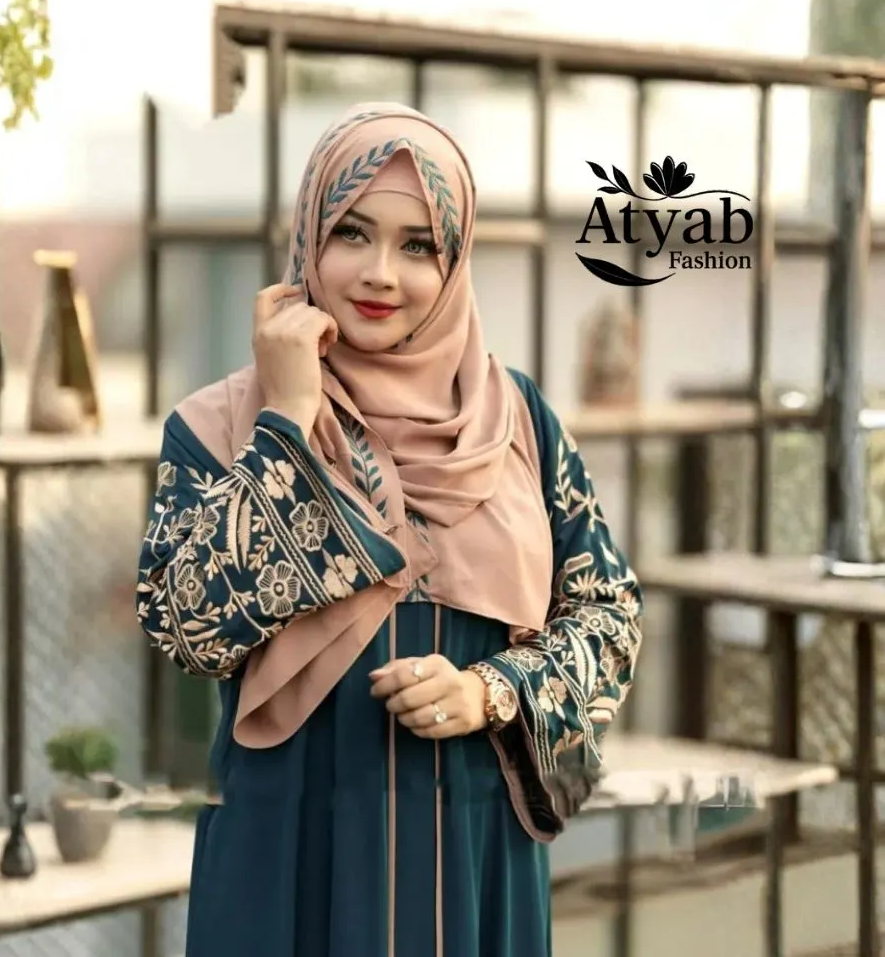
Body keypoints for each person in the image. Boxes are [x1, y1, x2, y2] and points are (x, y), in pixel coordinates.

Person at [136, 102, 643, 957]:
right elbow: (185, 627)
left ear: (455, 260)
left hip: (473, 853)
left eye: (418, 246)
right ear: (309, 235)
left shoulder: (519, 421)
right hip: (289, 857)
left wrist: (491, 690)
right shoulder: (218, 425)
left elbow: (612, 617)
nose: (381, 274)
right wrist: (287, 423)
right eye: (352, 233)